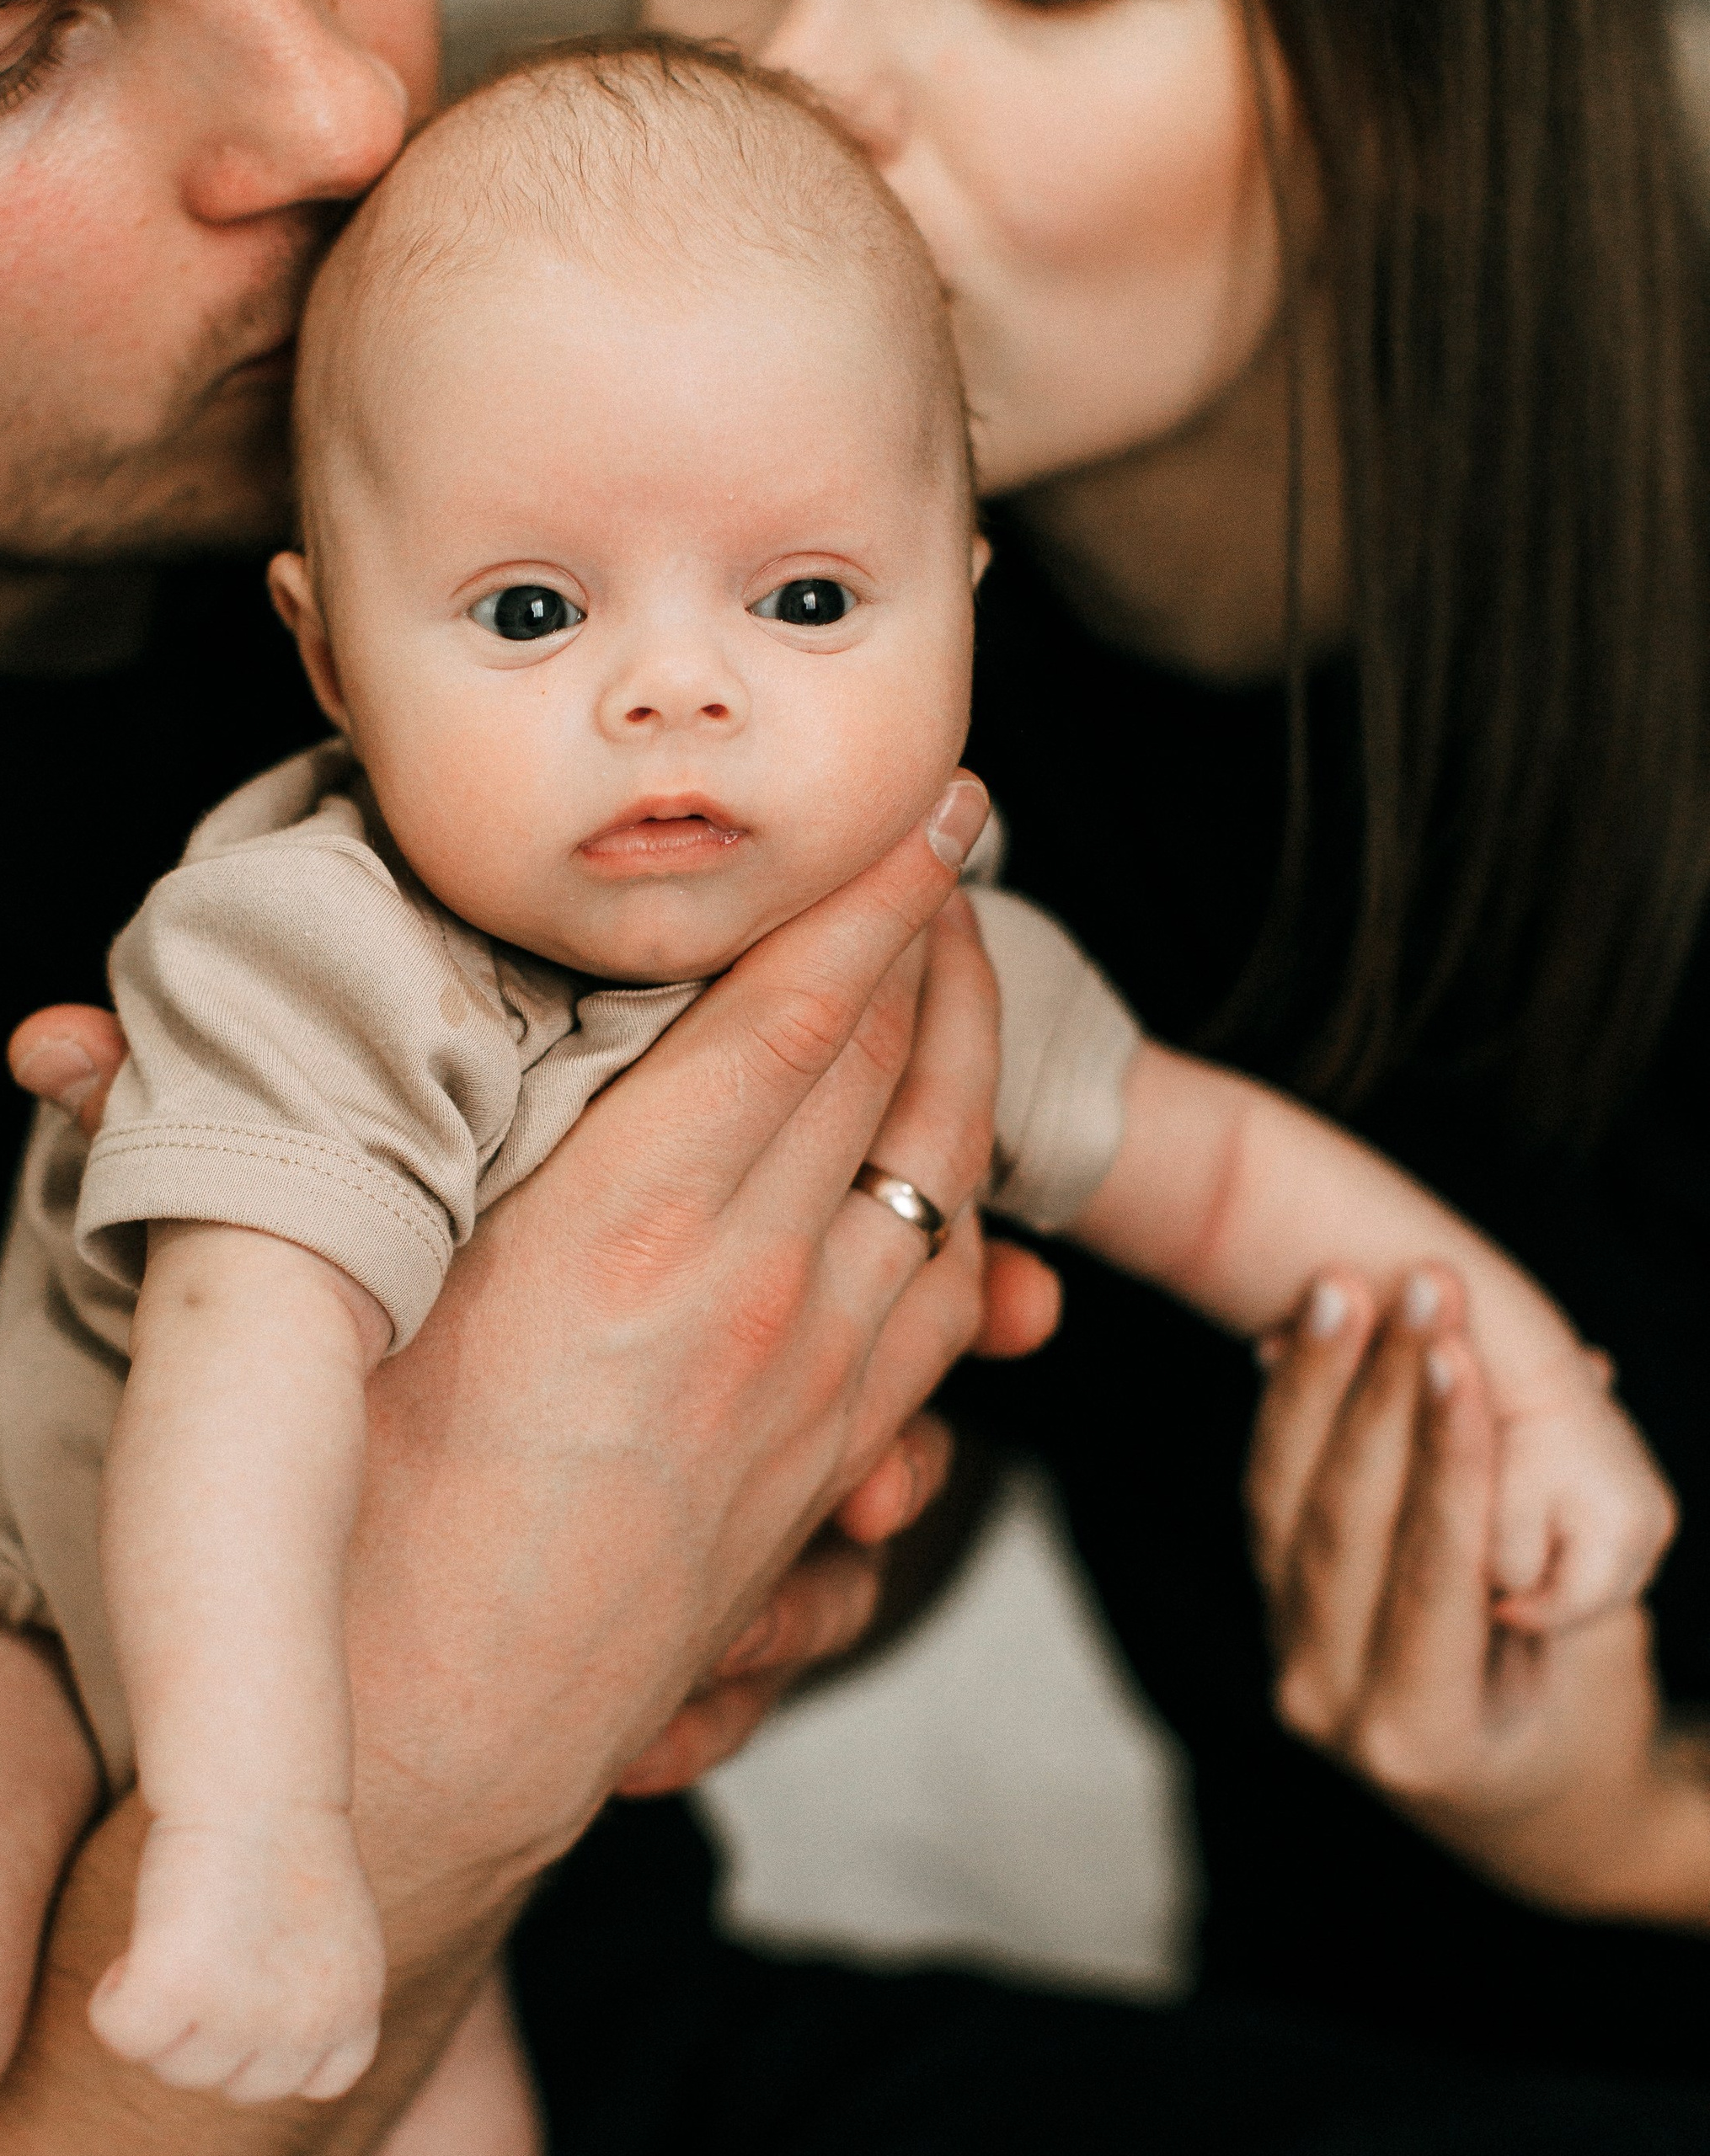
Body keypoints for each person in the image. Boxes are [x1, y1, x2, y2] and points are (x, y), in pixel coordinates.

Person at [0, 1, 1703, 2151]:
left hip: (528, 1956)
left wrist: (1539, 1473)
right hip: (59, 1660)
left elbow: (1199, 1178)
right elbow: (256, 1356)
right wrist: (395, 1776)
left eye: (795, 592)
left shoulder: (830, 647)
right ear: (334, 640)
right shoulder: (340, 871)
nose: (339, 114)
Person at [624, 0, 1710, 2089]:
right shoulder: (753, 697)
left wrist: (1619, 1822)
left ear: (1419, 88)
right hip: (1319, 2028)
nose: (806, 66)